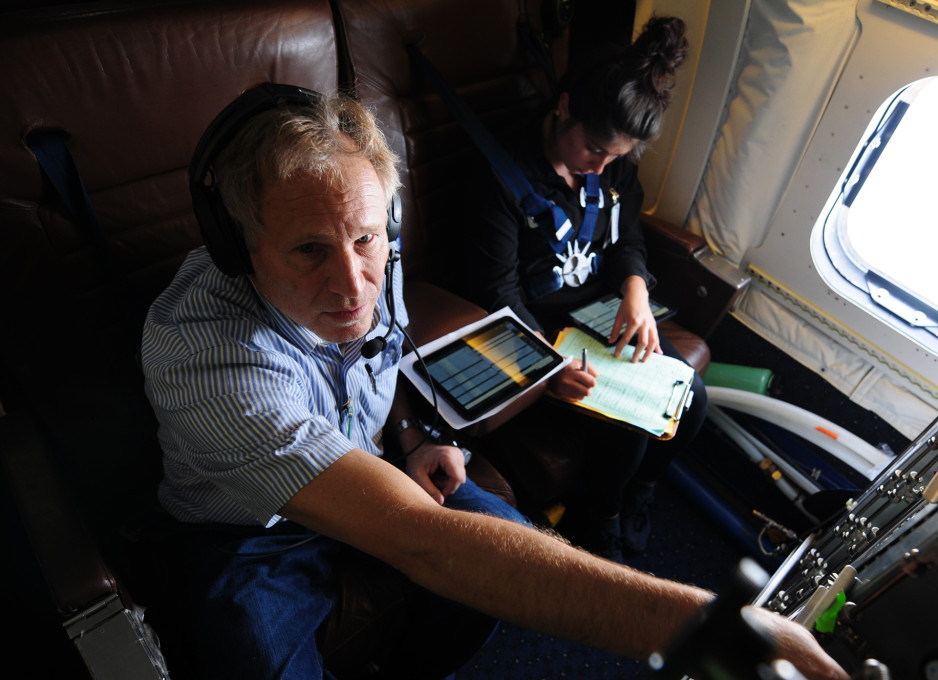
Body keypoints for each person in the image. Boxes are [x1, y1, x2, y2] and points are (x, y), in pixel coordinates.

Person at [141, 83, 848, 680]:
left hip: (381, 460)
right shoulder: (206, 358)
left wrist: (413, 436)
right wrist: (722, 629)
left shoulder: (365, 262)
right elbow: (416, 535)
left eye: (365, 239)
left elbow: (373, 366)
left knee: (503, 550)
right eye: (308, 252)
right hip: (256, 531)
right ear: (237, 246)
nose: (353, 285)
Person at [458, 15, 707, 562]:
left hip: (596, 309)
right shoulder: (499, 176)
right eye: (597, 149)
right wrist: (546, 366)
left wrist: (636, 290)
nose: (603, 166)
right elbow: (497, 292)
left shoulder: (611, 168)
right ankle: (600, 515)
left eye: (618, 156)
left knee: (690, 398)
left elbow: (627, 238)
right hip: (538, 321)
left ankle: (639, 491)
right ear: (564, 106)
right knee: (628, 427)